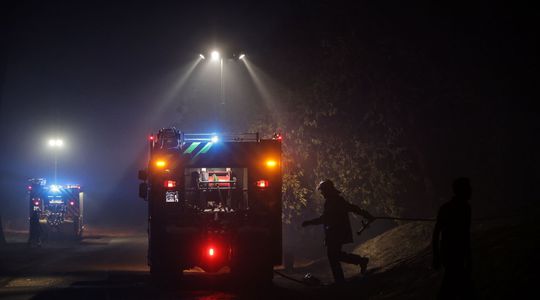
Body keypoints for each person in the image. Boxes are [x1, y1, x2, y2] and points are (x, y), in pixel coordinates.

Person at [302, 179, 375, 283]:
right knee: (336, 255)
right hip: (335, 232)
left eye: (323, 190)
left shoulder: (335, 201)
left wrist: (310, 222)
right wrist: (365, 214)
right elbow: (352, 208)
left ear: (327, 190)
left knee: (333, 256)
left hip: (336, 233)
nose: (322, 193)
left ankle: (341, 280)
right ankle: (360, 261)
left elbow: (326, 218)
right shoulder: (334, 200)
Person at [432, 177, 474, 299]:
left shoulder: (463, 208)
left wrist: (436, 255)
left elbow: (465, 234)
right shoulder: (462, 208)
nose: (471, 190)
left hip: (453, 252)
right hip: (451, 253)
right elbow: (437, 232)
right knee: (456, 285)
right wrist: (436, 255)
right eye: (468, 188)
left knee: (452, 285)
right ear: (462, 190)